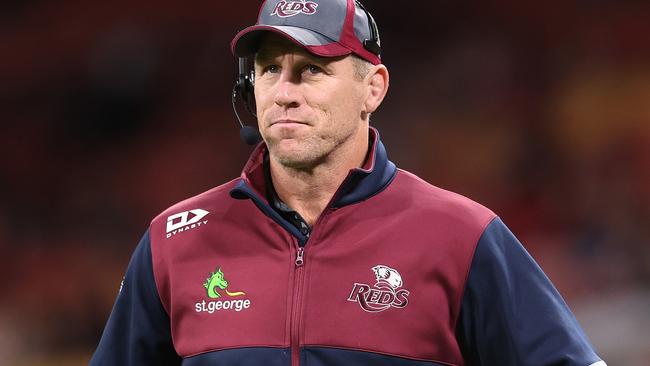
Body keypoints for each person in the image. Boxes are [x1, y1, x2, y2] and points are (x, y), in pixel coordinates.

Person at [90, 1, 607, 365]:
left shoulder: (462, 236)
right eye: (270, 70)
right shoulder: (176, 240)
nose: (284, 93)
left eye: (312, 70)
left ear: (373, 89)